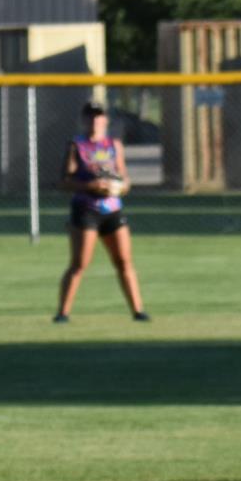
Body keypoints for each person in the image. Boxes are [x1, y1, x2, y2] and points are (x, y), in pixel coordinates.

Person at [55, 99, 149, 324]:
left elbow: (124, 178)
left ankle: (138, 311)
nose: (95, 120)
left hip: (112, 209)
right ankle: (62, 313)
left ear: (105, 120)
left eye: (99, 116)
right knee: (79, 264)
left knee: (124, 261)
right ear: (84, 119)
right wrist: (90, 186)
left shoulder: (113, 145)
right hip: (86, 209)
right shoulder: (76, 145)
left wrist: (119, 187)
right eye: (90, 115)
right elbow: (64, 181)